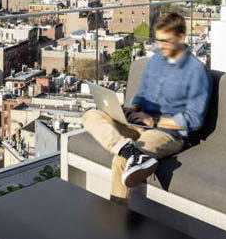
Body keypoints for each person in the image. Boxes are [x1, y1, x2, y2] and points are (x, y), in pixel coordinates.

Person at [82, 10, 212, 199]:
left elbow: (193, 119)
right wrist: (133, 108)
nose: (161, 46)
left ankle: (117, 215)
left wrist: (155, 122)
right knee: (91, 115)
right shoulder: (156, 59)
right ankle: (128, 149)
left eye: (166, 41)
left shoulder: (196, 71)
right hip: (138, 123)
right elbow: (143, 93)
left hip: (168, 134)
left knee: (122, 162)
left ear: (181, 37)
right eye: (159, 40)